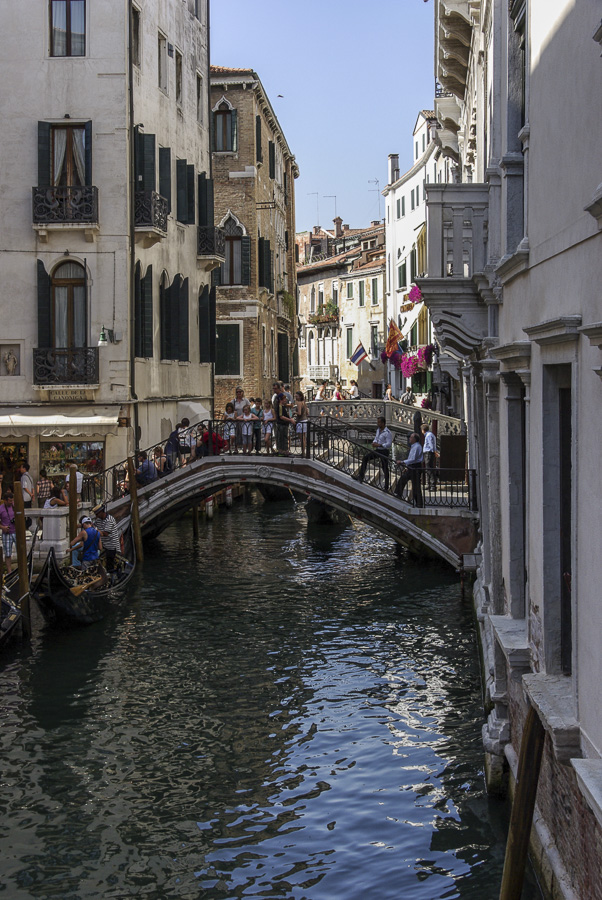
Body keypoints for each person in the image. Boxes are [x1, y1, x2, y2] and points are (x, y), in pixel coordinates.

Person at [353, 416, 393, 490]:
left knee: (385, 468)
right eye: (377, 422)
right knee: (365, 458)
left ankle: (386, 486)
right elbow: (376, 438)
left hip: (384, 451)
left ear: (383, 423)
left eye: (379, 422)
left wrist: (380, 445)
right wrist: (374, 442)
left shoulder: (388, 433)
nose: (378, 424)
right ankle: (360, 477)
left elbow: (389, 444)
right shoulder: (378, 430)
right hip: (378, 450)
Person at [395, 433, 424, 506]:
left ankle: (419, 503)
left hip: (415, 467)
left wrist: (402, 462)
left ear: (414, 439)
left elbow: (413, 459)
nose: (409, 439)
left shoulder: (417, 447)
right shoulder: (414, 446)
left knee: (415, 486)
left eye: (411, 438)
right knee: (403, 479)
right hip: (412, 467)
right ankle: (398, 494)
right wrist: (406, 466)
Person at [93, 504, 120, 573]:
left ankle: (111, 575)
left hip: (112, 545)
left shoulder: (109, 520)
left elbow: (105, 533)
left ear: (101, 512)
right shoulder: (98, 520)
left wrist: (95, 529)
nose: (96, 516)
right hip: (104, 545)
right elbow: (93, 526)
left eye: (97, 514)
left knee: (110, 564)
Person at [0, 490, 17, 574]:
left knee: (20, 551)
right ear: (5, 500)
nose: (11, 502)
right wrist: (2, 527)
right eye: (10, 501)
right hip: (6, 533)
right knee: (7, 553)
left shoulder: (15, 506)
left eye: (12, 500)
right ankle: (9, 571)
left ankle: (22, 569)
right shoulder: (1, 508)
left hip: (16, 531)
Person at [274, 390, 294, 455]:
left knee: (283, 437)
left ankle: (282, 450)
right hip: (282, 424)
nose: (285, 400)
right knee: (283, 438)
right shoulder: (280, 406)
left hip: (283, 424)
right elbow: (281, 416)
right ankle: (283, 450)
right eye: (284, 399)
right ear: (281, 400)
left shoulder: (282, 406)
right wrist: (290, 420)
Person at [20, 462, 34, 527]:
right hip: (29, 497)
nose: (20, 469)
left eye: (21, 467)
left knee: (25, 512)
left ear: (24, 468)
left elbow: (24, 487)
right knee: (29, 511)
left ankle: (26, 525)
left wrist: (30, 493)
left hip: (25, 497)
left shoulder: (24, 477)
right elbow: (32, 487)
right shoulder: (30, 476)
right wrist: (32, 495)